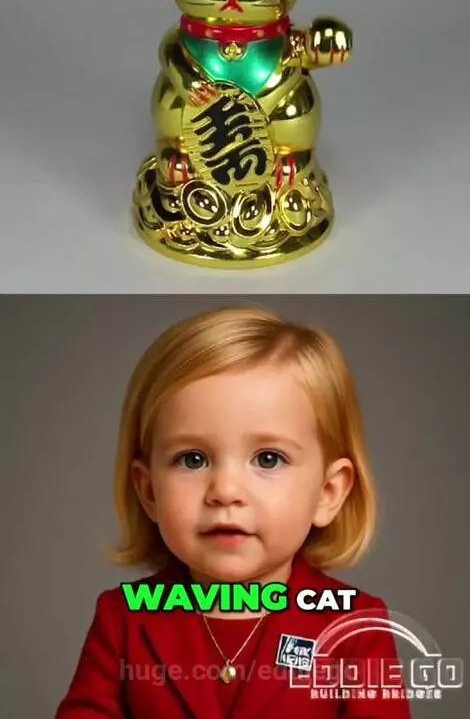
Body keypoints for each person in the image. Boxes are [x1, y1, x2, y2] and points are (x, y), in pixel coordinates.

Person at [55, 305, 412, 718]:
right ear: (149, 491)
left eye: (268, 459)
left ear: (327, 493)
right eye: (192, 459)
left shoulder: (356, 626)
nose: (225, 491)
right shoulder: (123, 616)